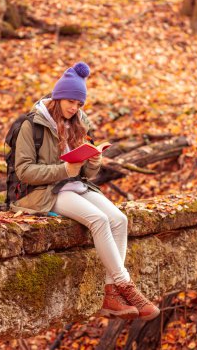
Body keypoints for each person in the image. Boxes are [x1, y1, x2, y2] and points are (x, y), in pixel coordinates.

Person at [12, 61, 160, 320]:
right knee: (99, 220)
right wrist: (63, 170)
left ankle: (111, 295)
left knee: (119, 219)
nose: (74, 107)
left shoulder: (79, 122)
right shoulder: (31, 125)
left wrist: (94, 162)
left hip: (75, 185)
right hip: (47, 192)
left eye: (79, 104)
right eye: (70, 101)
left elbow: (87, 174)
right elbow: (24, 171)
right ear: (58, 97)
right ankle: (127, 287)